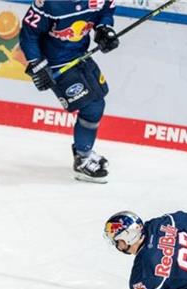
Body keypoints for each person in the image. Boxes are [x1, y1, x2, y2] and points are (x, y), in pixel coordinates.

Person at [19, 0, 120, 184]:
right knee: (92, 106)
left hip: (80, 55)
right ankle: (82, 158)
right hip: (56, 63)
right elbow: (28, 34)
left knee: (99, 101)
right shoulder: (50, 3)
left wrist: (104, 28)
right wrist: (36, 63)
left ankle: (84, 150)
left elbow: (106, 10)